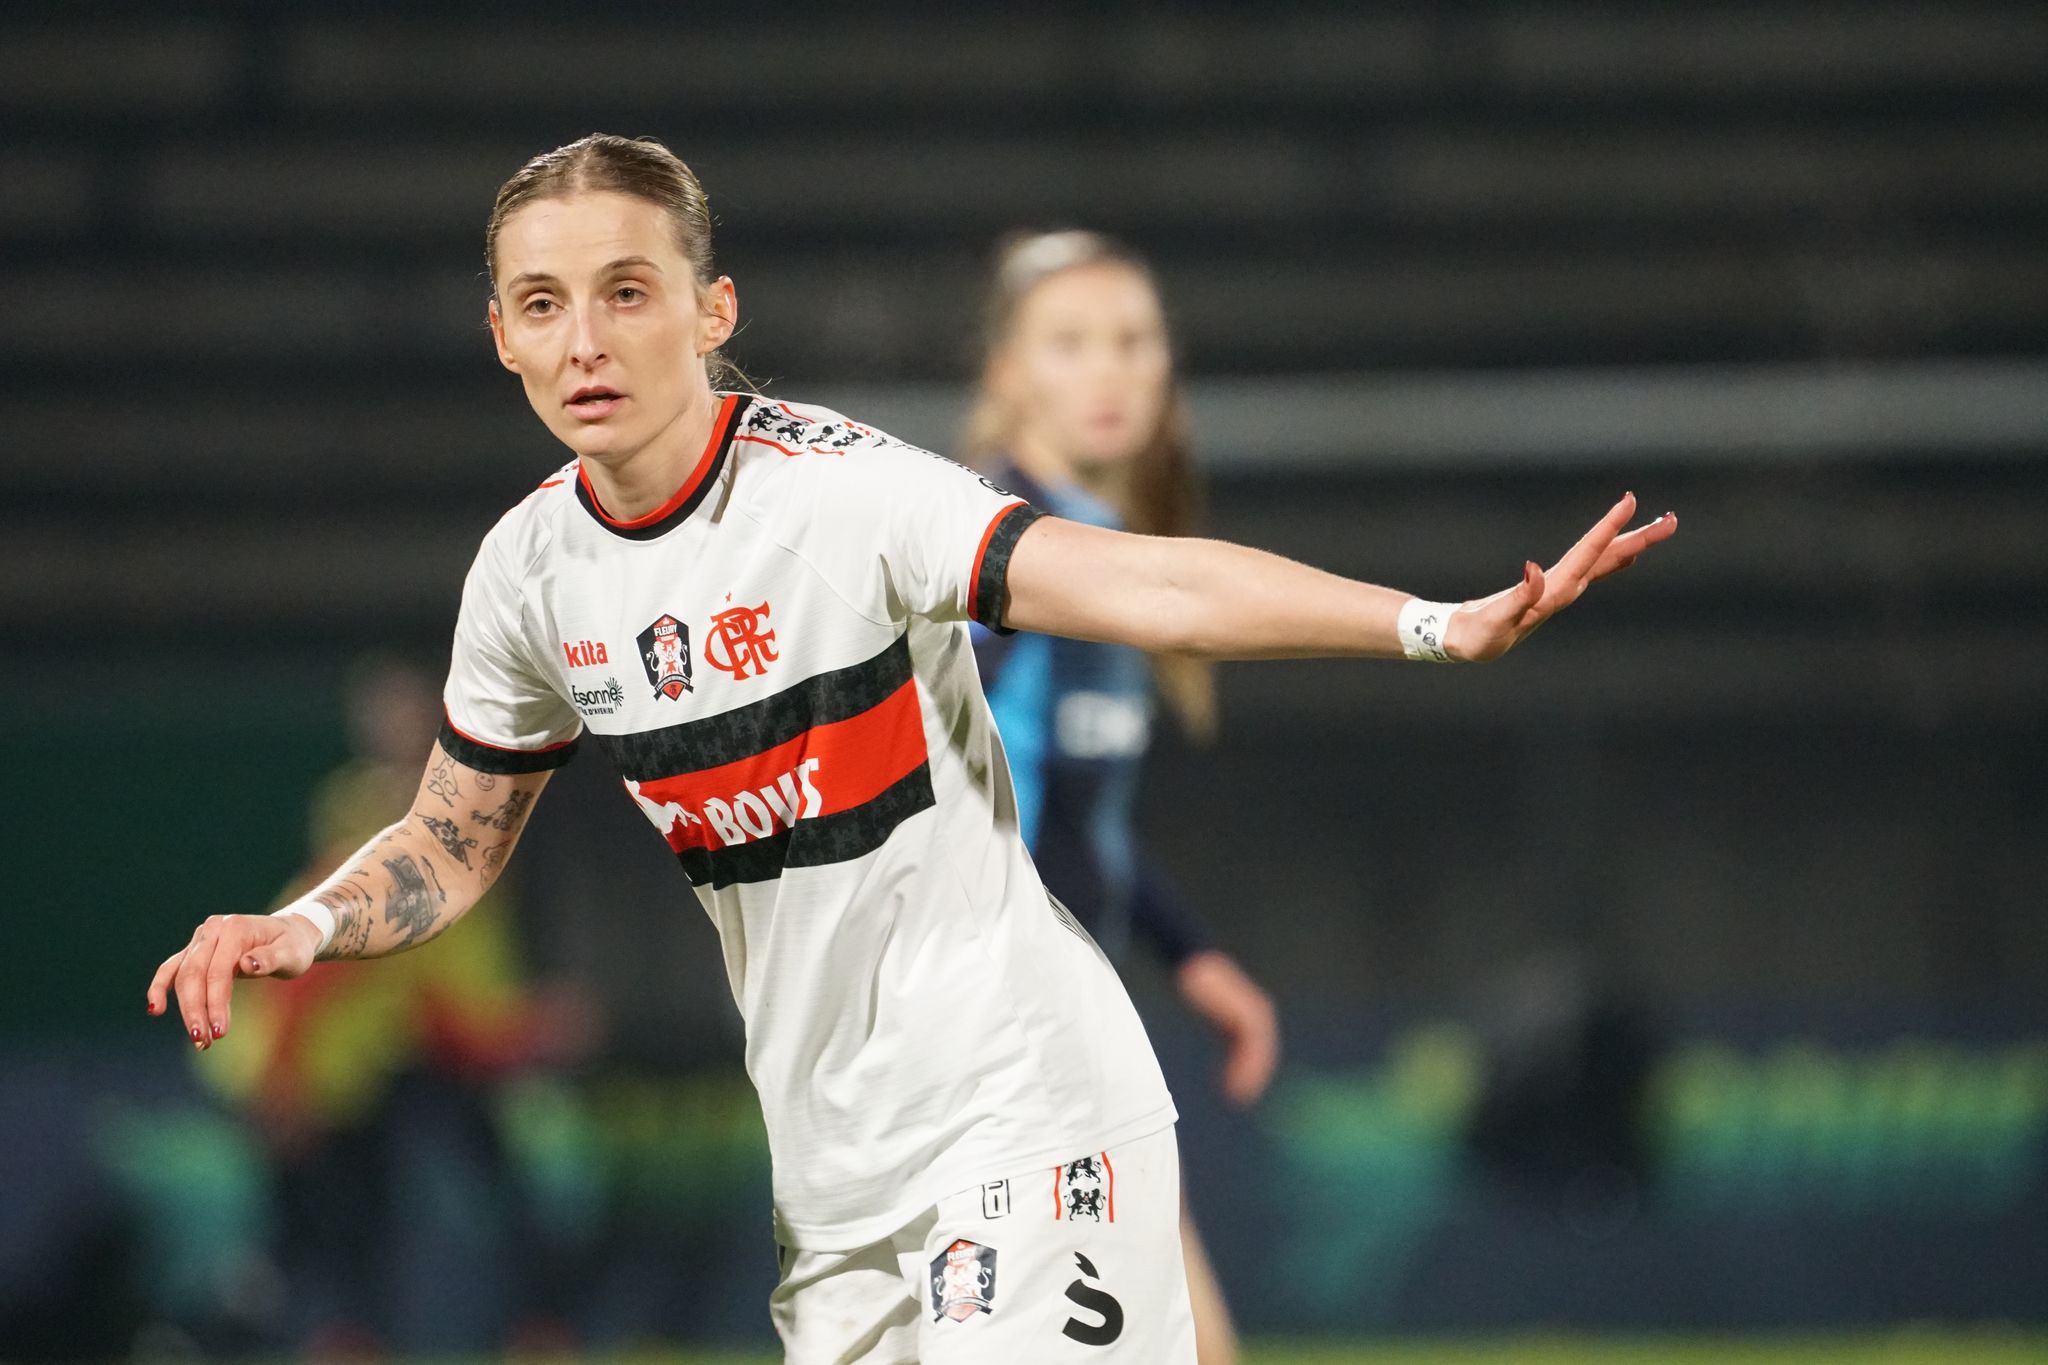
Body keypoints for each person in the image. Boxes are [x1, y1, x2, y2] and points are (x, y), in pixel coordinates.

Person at [145, 133, 1676, 1363]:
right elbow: (452, 837)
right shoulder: (529, 576)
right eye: (542, 304)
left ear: (712, 310)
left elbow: (1144, 583)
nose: (586, 339)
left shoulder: (841, 497)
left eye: (627, 290)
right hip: (837, 1181)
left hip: (1021, 1108)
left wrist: (1430, 623)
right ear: (500, 335)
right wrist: (305, 924)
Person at [963, 229, 1276, 1364]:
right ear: (1010, 373)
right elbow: (946, 795)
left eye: (1133, 341)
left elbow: (1075, 819)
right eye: (1071, 343)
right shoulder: (995, 548)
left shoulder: (1100, 546)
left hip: (1066, 1025)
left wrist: (1190, 953)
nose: (1109, 370)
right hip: (998, 1036)